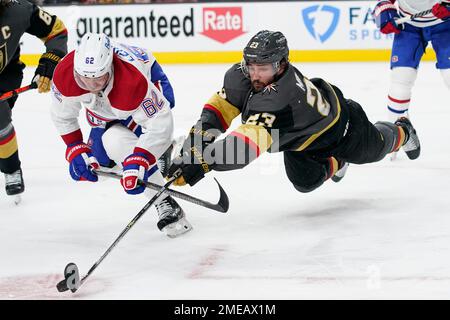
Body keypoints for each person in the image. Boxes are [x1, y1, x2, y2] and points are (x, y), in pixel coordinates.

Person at [167, 30, 421, 196]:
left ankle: (403, 130)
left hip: (342, 128)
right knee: (305, 183)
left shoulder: (283, 96)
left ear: (282, 64)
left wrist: (201, 163)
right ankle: (339, 161)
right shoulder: (240, 75)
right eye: (251, 65)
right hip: (299, 139)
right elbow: (218, 111)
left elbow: (243, 148)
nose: (254, 74)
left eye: (263, 68)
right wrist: (195, 146)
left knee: (377, 149)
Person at [50, 33, 192, 238]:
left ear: (109, 67)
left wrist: (140, 158)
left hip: (148, 82)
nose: (91, 85)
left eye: (98, 77)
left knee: (117, 143)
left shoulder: (132, 81)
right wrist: (74, 147)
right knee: (101, 163)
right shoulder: (65, 74)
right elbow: (62, 116)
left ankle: (163, 200)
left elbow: (160, 124)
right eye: (84, 78)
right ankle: (157, 153)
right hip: (107, 109)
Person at [0, 0, 67, 200]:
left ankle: (11, 168)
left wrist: (49, 62)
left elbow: (57, 30)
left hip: (5, 76)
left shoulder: (18, 11)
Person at [373, 0, 449, 158]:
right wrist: (383, 9)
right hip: (409, 25)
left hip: (444, 24)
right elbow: (384, 2)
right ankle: (397, 135)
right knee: (400, 82)